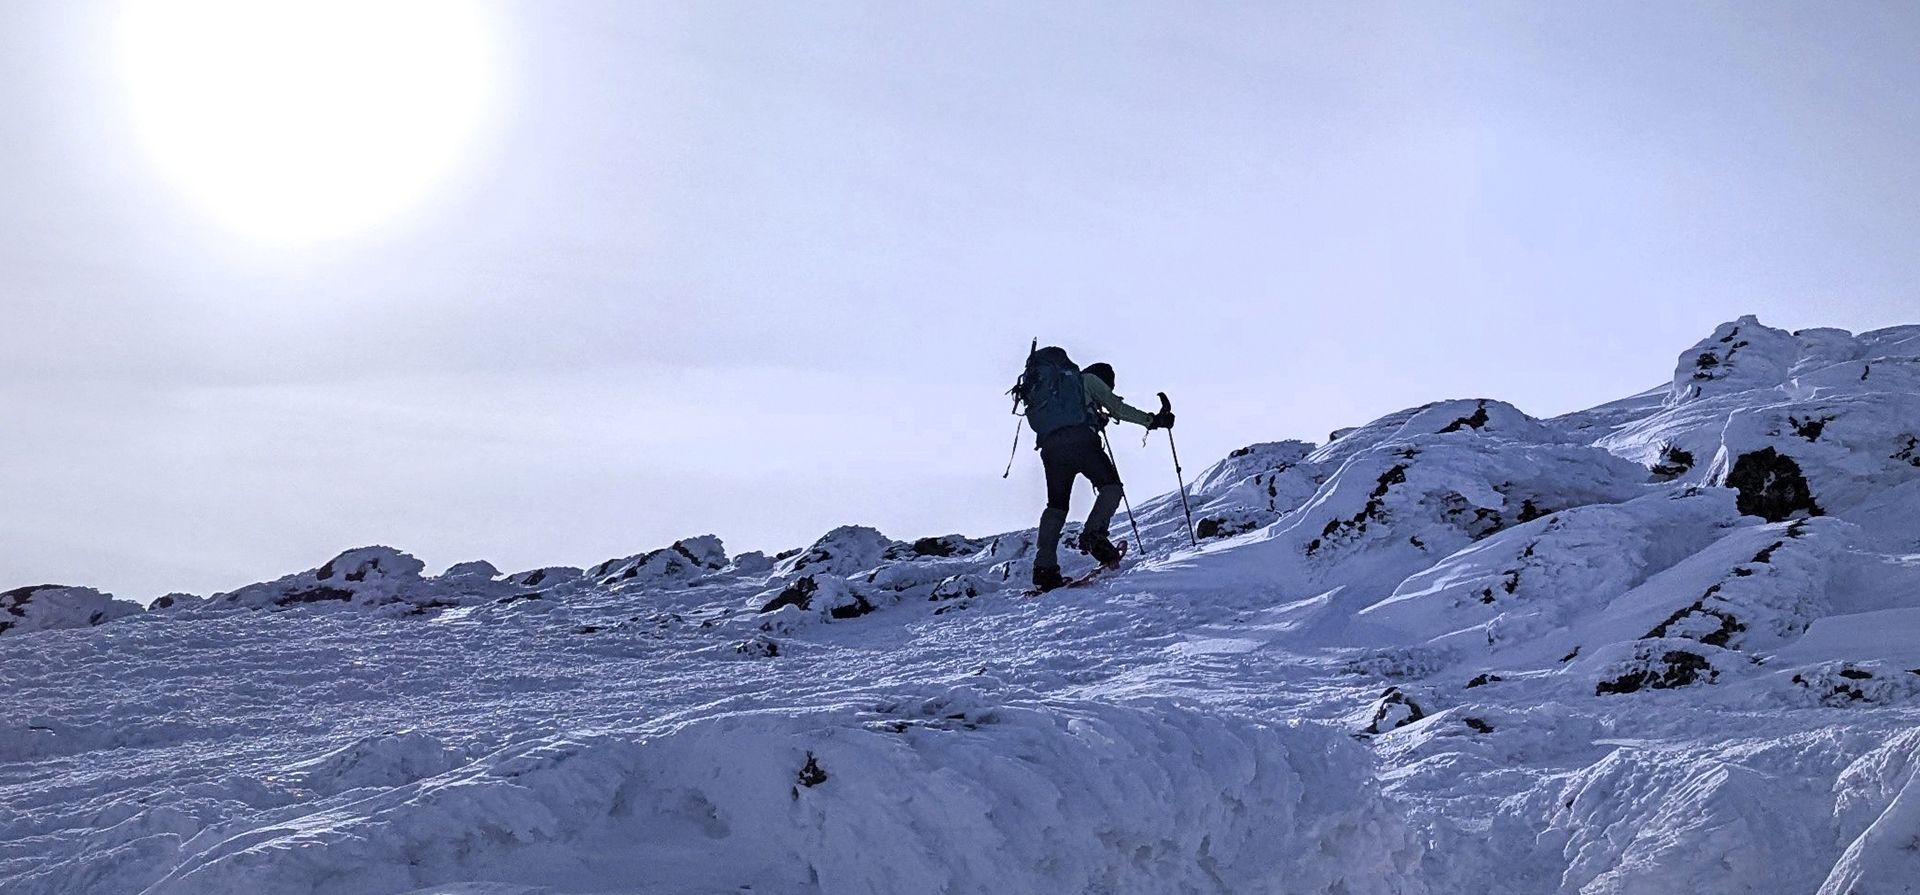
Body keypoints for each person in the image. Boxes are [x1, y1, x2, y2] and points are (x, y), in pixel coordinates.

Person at [1027, 356, 1174, 591]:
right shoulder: (1090, 380)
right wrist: (1153, 421)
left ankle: (1044, 569)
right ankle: (1094, 536)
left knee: (1056, 507)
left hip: (1051, 449)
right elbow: (1118, 408)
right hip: (1082, 443)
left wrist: (1095, 419)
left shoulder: (1060, 391)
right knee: (1111, 488)